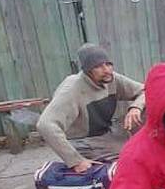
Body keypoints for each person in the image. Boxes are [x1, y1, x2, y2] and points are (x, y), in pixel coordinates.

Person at [37, 43, 145, 172]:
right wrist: (75, 161)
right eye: (98, 66)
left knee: (142, 148)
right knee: (133, 162)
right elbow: (45, 125)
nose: (107, 70)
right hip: (83, 141)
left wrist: (136, 108)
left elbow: (146, 90)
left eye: (108, 64)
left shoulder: (111, 78)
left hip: (106, 135)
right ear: (87, 70)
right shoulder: (72, 89)